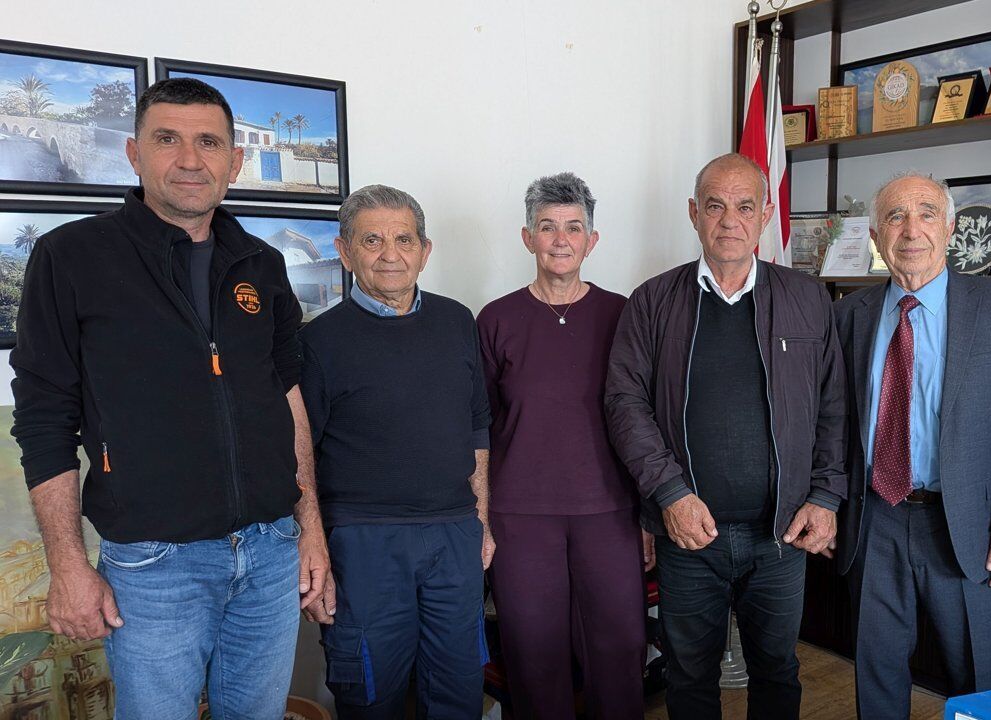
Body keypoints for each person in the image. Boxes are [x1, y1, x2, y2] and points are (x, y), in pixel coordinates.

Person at [9, 77, 328, 719]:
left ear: (234, 161)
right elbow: (44, 418)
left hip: (270, 550)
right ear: (134, 153)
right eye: (167, 139)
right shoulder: (71, 257)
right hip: (155, 564)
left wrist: (309, 530)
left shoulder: (261, 263)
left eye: (208, 142)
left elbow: (286, 397)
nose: (189, 159)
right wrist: (68, 564)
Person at [605, 153, 847, 720]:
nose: (729, 220)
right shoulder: (652, 300)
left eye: (744, 206)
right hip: (689, 534)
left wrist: (825, 496)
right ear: (694, 214)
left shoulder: (807, 298)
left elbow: (833, 407)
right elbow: (624, 403)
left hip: (782, 533)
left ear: (766, 214)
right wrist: (669, 494)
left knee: (777, 672)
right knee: (689, 677)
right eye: (715, 206)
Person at [833, 173, 991, 719]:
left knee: (978, 681)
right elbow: (833, 423)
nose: (911, 229)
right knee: (876, 673)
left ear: (949, 228)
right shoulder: (848, 315)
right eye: (895, 216)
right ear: (875, 236)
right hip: (874, 520)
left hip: (968, 527)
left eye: (926, 213)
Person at [299, 184, 493, 718]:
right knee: (369, 692)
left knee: (458, 690)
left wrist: (481, 519)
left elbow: (477, 424)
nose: (391, 254)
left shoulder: (457, 321)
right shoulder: (318, 342)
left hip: (454, 535)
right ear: (344, 251)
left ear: (424, 251)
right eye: (372, 240)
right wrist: (312, 545)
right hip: (363, 542)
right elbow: (299, 454)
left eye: (404, 239)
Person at [477, 172, 650, 719]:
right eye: (547, 226)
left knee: (620, 649)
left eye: (573, 227)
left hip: (611, 510)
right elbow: (479, 425)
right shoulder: (496, 319)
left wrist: (650, 514)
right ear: (527, 237)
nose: (560, 239)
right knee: (533, 653)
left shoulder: (623, 314)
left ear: (591, 241)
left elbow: (646, 418)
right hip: (520, 515)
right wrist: (481, 517)